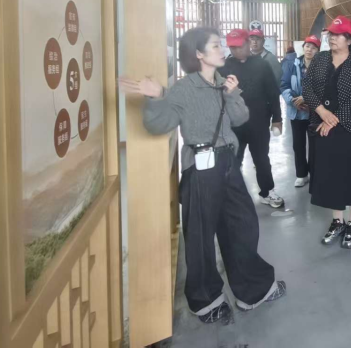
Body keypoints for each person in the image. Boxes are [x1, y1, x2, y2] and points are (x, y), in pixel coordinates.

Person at [119, 27, 285, 325]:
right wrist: (155, 98)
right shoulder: (184, 89)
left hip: (228, 163)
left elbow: (240, 119)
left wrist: (232, 95)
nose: (223, 50)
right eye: (215, 46)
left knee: (243, 225)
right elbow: (159, 125)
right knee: (200, 236)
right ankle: (206, 301)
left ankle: (252, 291)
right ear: (198, 54)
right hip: (200, 168)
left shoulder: (223, 83)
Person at [302, 16, 351, 249]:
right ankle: (337, 221)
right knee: (330, 173)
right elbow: (307, 87)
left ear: (350, 39)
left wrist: (335, 119)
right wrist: (322, 112)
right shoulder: (321, 58)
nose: (332, 38)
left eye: (338, 35)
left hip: (350, 126)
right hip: (321, 123)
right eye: (330, 34)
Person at [219, 29, 284, 208]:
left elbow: (273, 93)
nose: (236, 50)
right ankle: (230, 196)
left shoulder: (262, 65)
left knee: (261, 159)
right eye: (232, 47)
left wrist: (277, 118)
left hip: (259, 123)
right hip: (233, 126)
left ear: (248, 43)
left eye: (240, 46)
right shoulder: (223, 67)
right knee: (233, 160)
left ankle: (267, 192)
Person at [280, 35, 321, 188]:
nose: (309, 50)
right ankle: (301, 175)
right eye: (307, 46)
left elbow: (324, 88)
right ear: (303, 47)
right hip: (296, 112)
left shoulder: (321, 67)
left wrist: (307, 98)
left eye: (313, 47)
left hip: (314, 112)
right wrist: (293, 101)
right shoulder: (292, 64)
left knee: (315, 145)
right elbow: (283, 85)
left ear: (318, 50)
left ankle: (315, 174)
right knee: (298, 145)